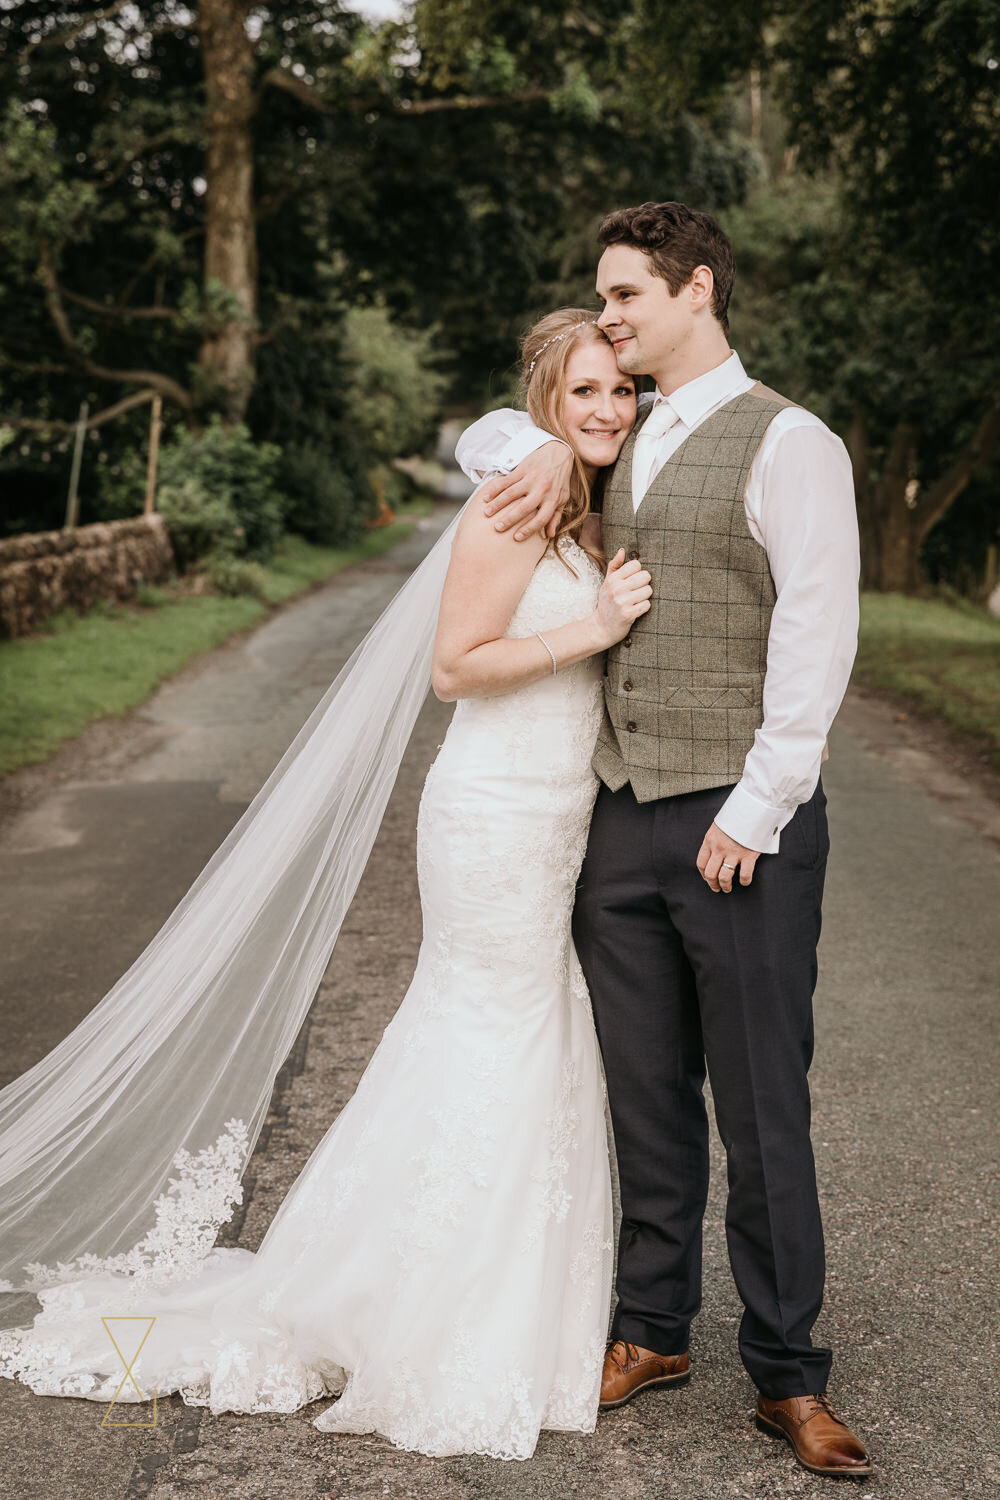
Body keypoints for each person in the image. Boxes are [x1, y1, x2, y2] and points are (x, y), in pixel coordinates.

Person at [0, 311, 652, 1462]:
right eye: (585, 391)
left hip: (555, 820)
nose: (607, 410)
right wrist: (589, 626)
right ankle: (426, 1311)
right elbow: (457, 668)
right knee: (488, 1032)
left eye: (622, 392)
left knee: (525, 1028)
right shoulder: (511, 510)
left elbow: (516, 447)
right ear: (549, 398)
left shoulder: (569, 498)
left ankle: (476, 1293)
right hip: (492, 815)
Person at [455, 201, 872, 1480]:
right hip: (615, 821)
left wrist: (757, 811)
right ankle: (652, 1329)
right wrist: (518, 439)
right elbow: (501, 427)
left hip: (735, 822)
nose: (612, 317)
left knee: (761, 1106)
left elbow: (817, 633)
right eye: (602, 299)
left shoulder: (789, 440)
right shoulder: (604, 431)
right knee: (644, 1098)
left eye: (627, 294)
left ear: (697, 289)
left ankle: (789, 1374)